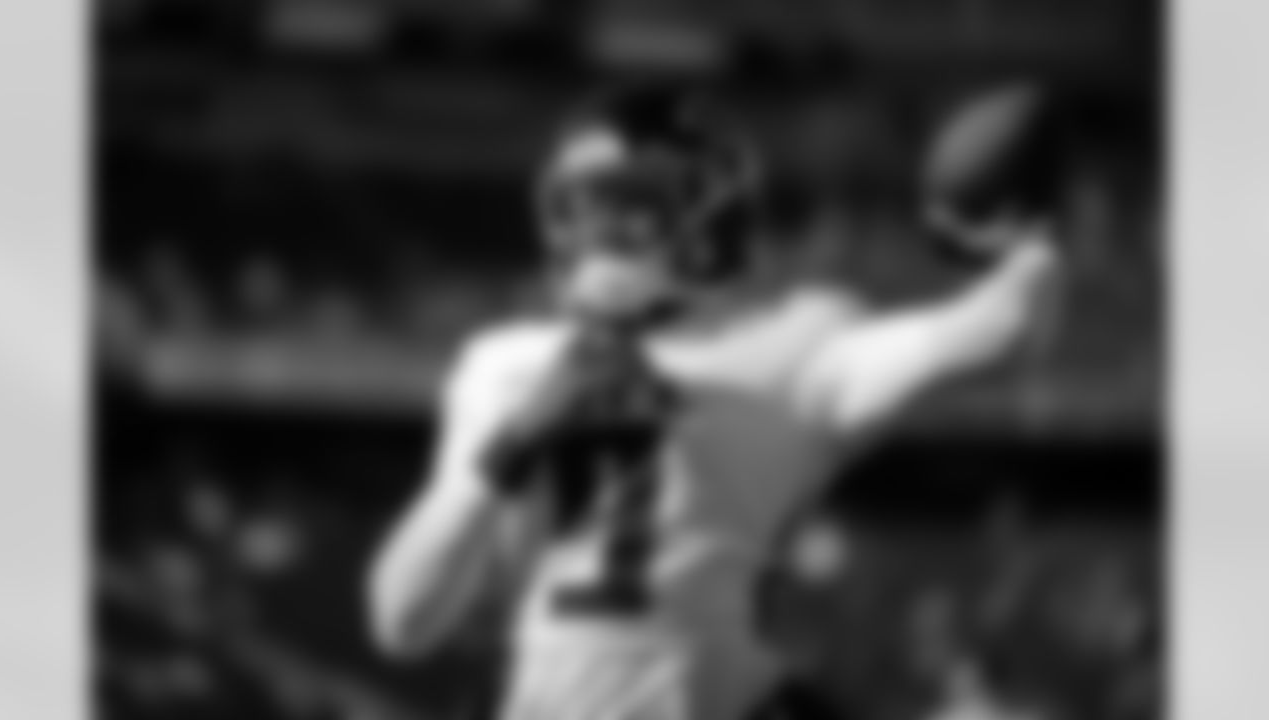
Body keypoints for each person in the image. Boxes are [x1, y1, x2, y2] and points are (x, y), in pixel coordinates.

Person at [366, 84, 1064, 720]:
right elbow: (402, 619)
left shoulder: (797, 345)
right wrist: (515, 442)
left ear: (711, 216)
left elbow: (990, 331)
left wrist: (1021, 240)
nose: (602, 234)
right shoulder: (510, 364)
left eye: (633, 205)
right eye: (585, 206)